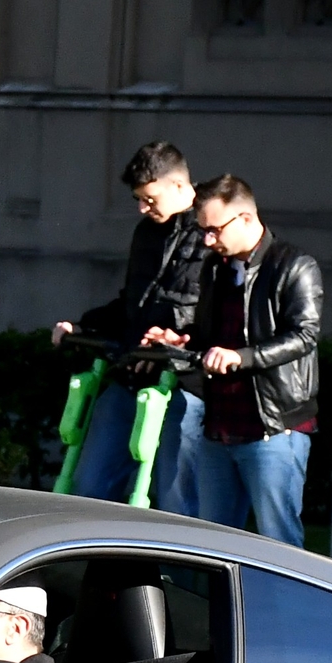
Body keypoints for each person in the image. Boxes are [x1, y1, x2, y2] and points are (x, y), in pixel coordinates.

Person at [140, 174, 321, 546]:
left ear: (246, 219)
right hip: (218, 428)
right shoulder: (215, 268)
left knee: (280, 542)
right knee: (215, 544)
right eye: (203, 231)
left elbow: (304, 336)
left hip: (273, 430)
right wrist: (179, 339)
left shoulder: (294, 265)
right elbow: (211, 335)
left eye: (214, 230)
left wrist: (240, 357)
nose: (208, 240)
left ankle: (285, 606)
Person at [51, 142, 210, 512]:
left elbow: (212, 312)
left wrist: (167, 340)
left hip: (184, 381)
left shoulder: (211, 227)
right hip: (131, 372)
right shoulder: (147, 232)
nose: (143, 208)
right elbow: (132, 303)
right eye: (138, 199)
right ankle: (87, 567)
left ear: (177, 186)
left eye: (149, 198)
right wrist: (82, 325)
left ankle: (179, 570)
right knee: (88, 488)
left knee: (177, 501)